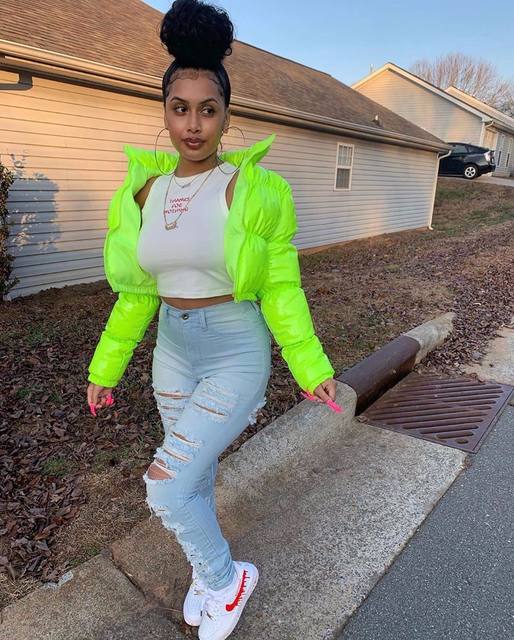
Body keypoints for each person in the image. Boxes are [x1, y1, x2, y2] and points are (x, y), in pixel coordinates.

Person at [86, 1, 336, 637]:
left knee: (166, 486)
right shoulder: (140, 194)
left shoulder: (256, 192)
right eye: (180, 108)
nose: (193, 124)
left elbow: (281, 287)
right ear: (164, 112)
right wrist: (105, 368)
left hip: (234, 350)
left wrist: (310, 365)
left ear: (227, 116)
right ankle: (209, 573)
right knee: (192, 479)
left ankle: (227, 580)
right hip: (172, 350)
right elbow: (136, 294)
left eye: (208, 109)